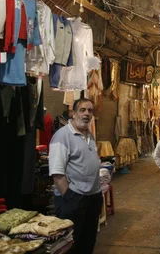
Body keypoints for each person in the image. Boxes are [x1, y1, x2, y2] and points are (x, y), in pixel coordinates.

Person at [49, 98, 102, 253]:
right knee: (71, 245)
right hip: (74, 199)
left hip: (92, 198)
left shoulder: (89, 135)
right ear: (73, 113)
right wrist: (71, 198)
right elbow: (57, 174)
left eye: (90, 111)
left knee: (88, 241)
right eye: (82, 110)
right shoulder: (62, 136)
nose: (86, 114)